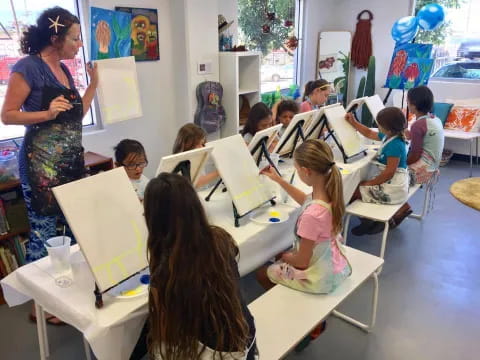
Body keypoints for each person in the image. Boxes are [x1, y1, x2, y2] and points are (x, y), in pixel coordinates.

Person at [0, 7, 98, 324]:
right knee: (44, 235)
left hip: (69, 162)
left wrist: (93, 85)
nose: (79, 44)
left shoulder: (65, 71)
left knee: (68, 234)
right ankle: (38, 306)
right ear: (55, 37)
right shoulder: (27, 68)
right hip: (41, 165)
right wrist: (45, 114)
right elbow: (8, 114)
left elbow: (73, 117)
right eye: (75, 37)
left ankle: (60, 298)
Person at [144, 173, 257, 359]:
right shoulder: (221, 238)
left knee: (155, 347)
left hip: (218, 353)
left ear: (154, 219)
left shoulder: (167, 269)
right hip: (246, 339)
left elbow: (164, 331)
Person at [256, 139, 352, 350]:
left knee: (262, 273)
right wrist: (279, 180)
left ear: (306, 172)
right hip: (334, 264)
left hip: (319, 276)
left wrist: (281, 254)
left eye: (297, 168)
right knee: (282, 258)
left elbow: (301, 261)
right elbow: (306, 199)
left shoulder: (312, 216)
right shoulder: (328, 193)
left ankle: (302, 323)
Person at [345, 107, 409, 235]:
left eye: (379, 124)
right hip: (391, 179)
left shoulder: (395, 145)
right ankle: (369, 221)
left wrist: (370, 183)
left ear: (388, 129)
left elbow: (389, 172)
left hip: (394, 185)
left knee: (354, 191)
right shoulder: (390, 136)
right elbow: (369, 133)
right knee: (360, 186)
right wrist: (353, 122)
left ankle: (368, 222)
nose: (377, 126)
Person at [392, 86, 444, 228]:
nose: (407, 104)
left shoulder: (418, 125)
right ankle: (401, 207)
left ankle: (401, 208)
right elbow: (426, 139)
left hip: (423, 171)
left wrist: (400, 163)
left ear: (413, 105)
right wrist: (412, 135)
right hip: (433, 167)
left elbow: (415, 156)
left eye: (408, 102)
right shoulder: (434, 119)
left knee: (389, 173)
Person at [172, 123, 219, 188]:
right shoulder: (181, 161)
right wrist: (218, 172)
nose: (202, 147)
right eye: (197, 144)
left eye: (202, 144)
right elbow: (196, 182)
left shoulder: (197, 157)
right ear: (186, 144)